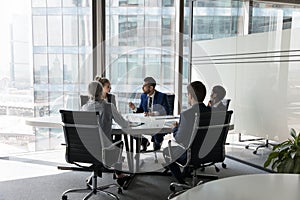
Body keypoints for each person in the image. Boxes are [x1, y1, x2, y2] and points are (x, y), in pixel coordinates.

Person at [82, 81, 130, 187]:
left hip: (86, 150)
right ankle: (119, 174)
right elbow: (123, 124)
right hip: (105, 151)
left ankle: (95, 173)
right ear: (101, 91)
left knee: (98, 145)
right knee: (119, 143)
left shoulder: (84, 108)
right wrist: (129, 122)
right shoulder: (109, 106)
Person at [163, 81, 211, 184]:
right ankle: (186, 173)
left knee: (167, 151)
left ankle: (181, 182)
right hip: (209, 152)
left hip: (191, 154)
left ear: (191, 96)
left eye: (187, 94)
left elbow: (179, 139)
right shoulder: (212, 113)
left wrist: (175, 128)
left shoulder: (187, 114)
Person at [128, 77, 171, 151]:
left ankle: (157, 143)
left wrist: (154, 114)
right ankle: (144, 142)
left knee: (157, 141)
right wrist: (134, 108)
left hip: (158, 123)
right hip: (145, 122)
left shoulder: (162, 96)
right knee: (132, 130)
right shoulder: (143, 96)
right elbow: (141, 110)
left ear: (151, 87)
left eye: (144, 86)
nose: (142, 88)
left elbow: (167, 111)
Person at [94, 76, 121, 143]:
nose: (110, 88)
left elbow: (115, 113)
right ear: (101, 88)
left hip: (110, 123)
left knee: (119, 133)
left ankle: (115, 149)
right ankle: (113, 148)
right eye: (108, 86)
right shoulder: (94, 100)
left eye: (110, 86)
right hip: (99, 126)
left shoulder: (112, 97)